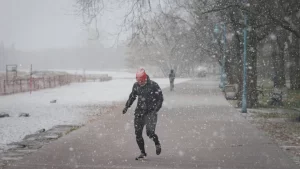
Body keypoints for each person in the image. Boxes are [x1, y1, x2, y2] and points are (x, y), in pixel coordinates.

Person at [122, 68, 164, 160]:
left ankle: (157, 142)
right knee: (138, 133)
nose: (140, 83)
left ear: (145, 78)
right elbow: (132, 96)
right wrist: (127, 106)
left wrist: (155, 110)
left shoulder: (154, 85)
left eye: (141, 81)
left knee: (149, 133)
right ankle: (142, 153)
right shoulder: (136, 85)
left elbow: (160, 99)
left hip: (151, 113)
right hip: (139, 113)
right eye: (138, 81)